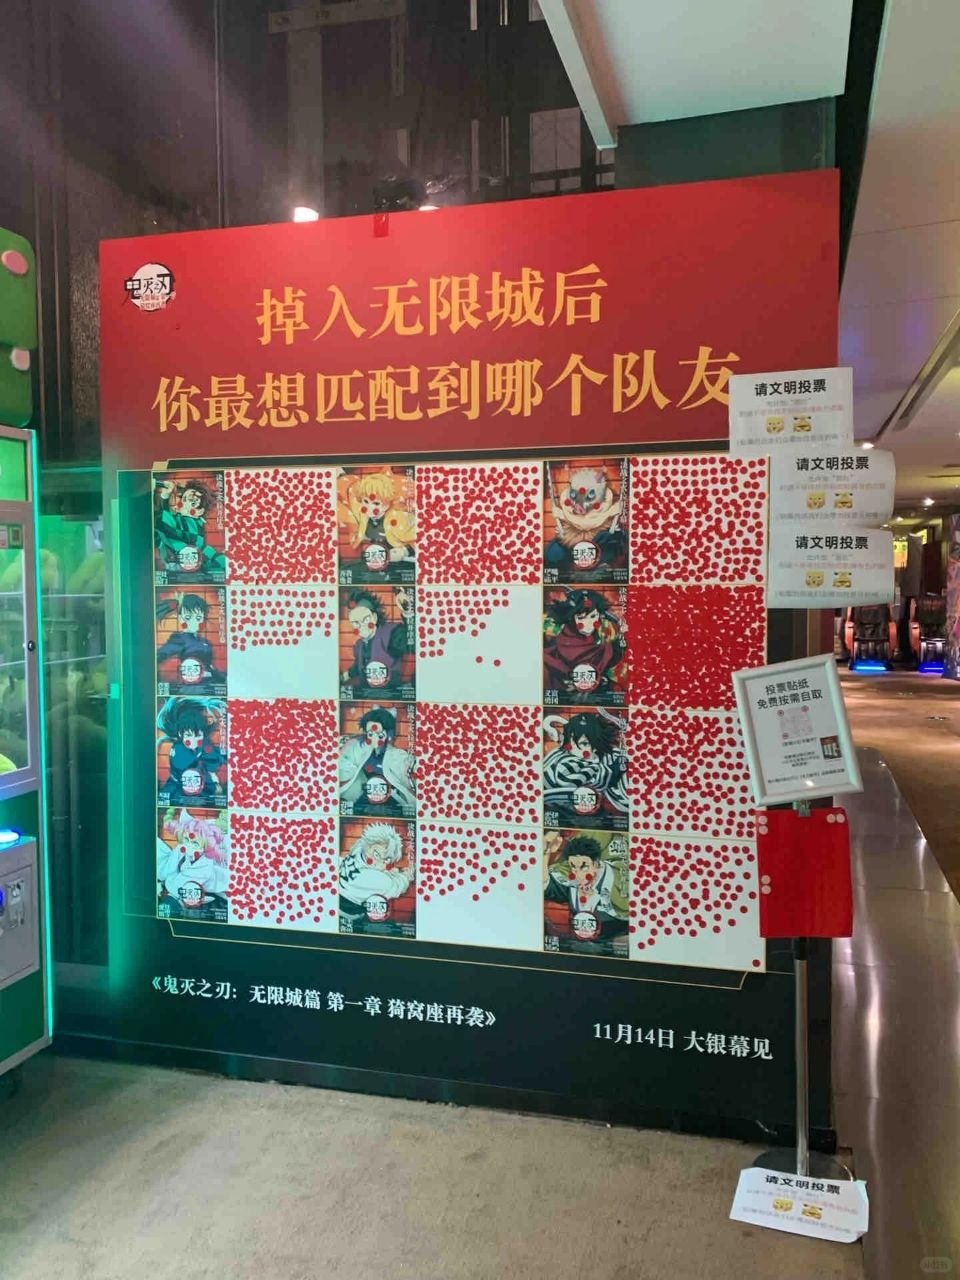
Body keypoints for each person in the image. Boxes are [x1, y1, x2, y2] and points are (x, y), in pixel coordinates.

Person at [543, 710, 627, 827]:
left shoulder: (596, 762)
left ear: (596, 745)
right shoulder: (566, 759)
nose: (575, 749)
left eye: (584, 744)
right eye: (572, 741)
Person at [543, 588, 626, 702]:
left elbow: (612, 654)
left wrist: (623, 635)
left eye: (593, 616)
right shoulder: (564, 642)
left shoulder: (596, 641)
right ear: (572, 619)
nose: (589, 624)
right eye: (581, 618)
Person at [544, 833, 629, 939]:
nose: (578, 874)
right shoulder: (569, 882)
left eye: (584, 867)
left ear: (596, 865)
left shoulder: (616, 886)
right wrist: (546, 851)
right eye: (573, 867)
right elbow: (545, 883)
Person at [339, 706, 416, 815]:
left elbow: (408, 775)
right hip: (364, 800)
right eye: (370, 734)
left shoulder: (397, 755)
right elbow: (345, 766)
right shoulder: (361, 750)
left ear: (389, 734)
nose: (374, 738)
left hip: (391, 803)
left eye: (380, 735)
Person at [157, 808, 229, 917]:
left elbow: (178, 886)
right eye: (186, 840)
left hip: (206, 894)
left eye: (195, 843)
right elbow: (167, 869)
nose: (189, 845)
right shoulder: (182, 849)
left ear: (205, 846)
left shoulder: (205, 864)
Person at [339, 822, 412, 922]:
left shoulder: (356, 853)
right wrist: (407, 875)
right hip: (349, 916)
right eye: (376, 855)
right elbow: (397, 885)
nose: (378, 865)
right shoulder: (379, 880)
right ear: (367, 845)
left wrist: (392, 871)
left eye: (385, 861)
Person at [156, 593, 224, 689]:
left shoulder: (205, 641)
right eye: (188, 617)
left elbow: (210, 667)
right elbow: (159, 656)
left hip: (210, 685)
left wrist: (222, 679)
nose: (194, 622)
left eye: (198, 618)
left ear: (202, 619)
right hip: (193, 687)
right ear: (181, 618)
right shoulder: (179, 638)